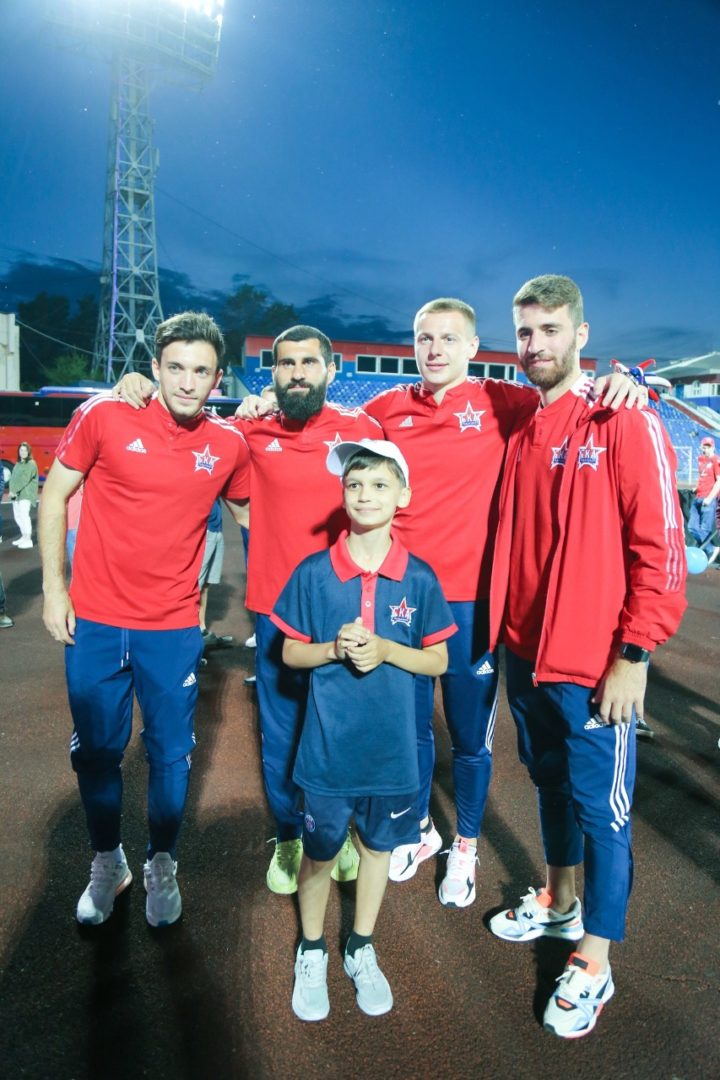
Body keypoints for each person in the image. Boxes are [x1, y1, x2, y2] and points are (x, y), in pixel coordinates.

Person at [363, 299, 647, 907]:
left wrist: (627, 380)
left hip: (473, 607)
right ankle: (421, 829)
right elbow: (323, 428)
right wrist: (260, 404)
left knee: (470, 738)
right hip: (402, 599)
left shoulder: (503, 402)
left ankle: (465, 844)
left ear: (473, 348)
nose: (435, 350)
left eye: (449, 339)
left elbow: (573, 392)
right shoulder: (384, 409)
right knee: (410, 729)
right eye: (424, 338)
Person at [486, 274, 687, 1038]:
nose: (534, 344)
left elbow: (662, 550)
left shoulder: (623, 419)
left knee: (605, 814)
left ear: (581, 334)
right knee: (549, 786)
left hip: (594, 663)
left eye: (549, 329)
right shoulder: (524, 426)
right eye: (525, 331)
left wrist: (635, 652)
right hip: (524, 653)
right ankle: (560, 901)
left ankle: (595, 961)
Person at [114, 326, 382, 895]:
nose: (297, 373)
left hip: (346, 608)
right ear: (272, 373)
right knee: (281, 732)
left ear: (331, 370)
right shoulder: (248, 430)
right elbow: (181, 420)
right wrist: (136, 385)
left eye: (309, 362)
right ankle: (288, 834)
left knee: (341, 729)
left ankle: (337, 830)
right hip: (278, 612)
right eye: (286, 364)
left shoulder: (363, 430)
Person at [39, 311, 250, 928]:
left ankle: (162, 861)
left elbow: (256, 519)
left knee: (171, 755)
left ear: (217, 378)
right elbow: (54, 495)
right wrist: (54, 590)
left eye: (201, 371)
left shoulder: (229, 444)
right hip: (96, 623)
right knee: (97, 754)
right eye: (175, 367)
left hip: (172, 629)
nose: (187, 382)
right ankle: (109, 860)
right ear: (154, 367)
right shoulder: (104, 415)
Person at [272, 439, 456, 1020]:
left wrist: (386, 650)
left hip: (392, 755)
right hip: (327, 753)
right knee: (320, 853)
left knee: (377, 850)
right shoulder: (313, 572)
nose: (365, 494)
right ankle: (311, 949)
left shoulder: (419, 577)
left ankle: (360, 945)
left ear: (404, 496)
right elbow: (290, 653)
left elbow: (439, 661)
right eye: (354, 484)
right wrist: (332, 648)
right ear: (342, 494)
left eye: (379, 484)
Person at [688, 436, 720, 564]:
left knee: (705, 529)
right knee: (691, 527)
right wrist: (697, 487)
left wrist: (710, 498)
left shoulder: (716, 460)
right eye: (704, 446)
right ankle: (711, 548)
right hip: (698, 496)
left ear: (713, 447)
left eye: (708, 447)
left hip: (708, 499)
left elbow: (719, 481)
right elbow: (702, 477)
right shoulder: (701, 460)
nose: (706, 449)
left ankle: (708, 552)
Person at [198, 497, 225, 643]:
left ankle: (201, 629)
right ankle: (189, 632)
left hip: (216, 528)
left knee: (206, 584)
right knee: (195, 585)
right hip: (203, 529)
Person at [9, 441, 39, 549]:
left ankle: (28, 539)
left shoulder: (31, 464)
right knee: (18, 516)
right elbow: (12, 478)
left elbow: (24, 480)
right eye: (21, 450)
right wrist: (12, 491)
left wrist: (14, 490)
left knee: (24, 516)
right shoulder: (18, 463)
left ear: (28, 452)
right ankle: (24, 536)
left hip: (26, 495)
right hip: (16, 495)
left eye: (25, 450)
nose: (22, 452)